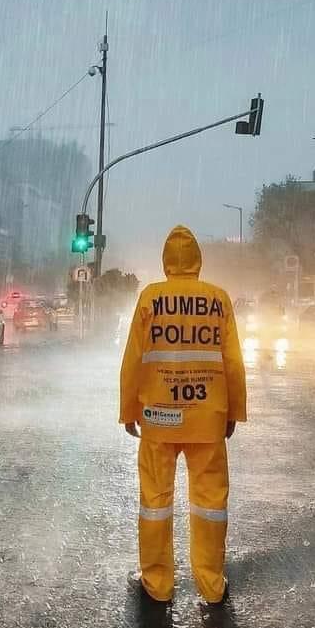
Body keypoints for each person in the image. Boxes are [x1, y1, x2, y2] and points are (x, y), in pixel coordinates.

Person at [119, 225, 247, 605]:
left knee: (155, 503)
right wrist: (234, 412)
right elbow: (233, 363)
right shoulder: (218, 299)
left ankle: (157, 583)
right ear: (197, 259)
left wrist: (129, 411)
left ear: (165, 260)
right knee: (210, 504)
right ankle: (210, 583)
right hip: (207, 418)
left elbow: (133, 361)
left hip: (158, 419)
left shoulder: (150, 298)